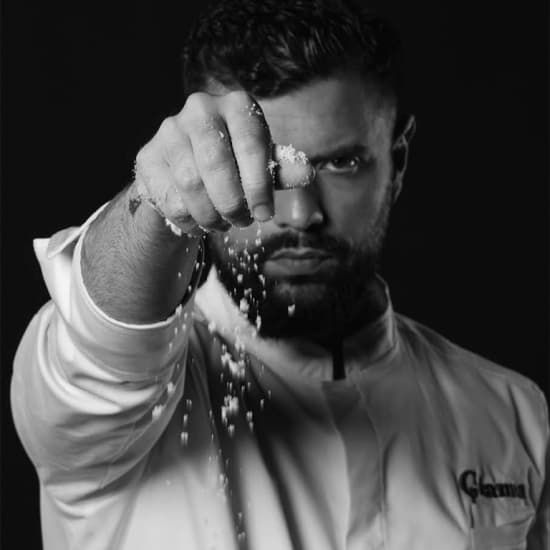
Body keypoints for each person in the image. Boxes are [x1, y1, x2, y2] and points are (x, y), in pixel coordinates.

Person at [11, 0, 549, 548]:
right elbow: (99, 350)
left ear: (398, 162)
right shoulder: (134, 409)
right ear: (203, 167)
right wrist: (156, 204)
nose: (299, 213)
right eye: (259, 168)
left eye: (341, 163)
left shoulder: (510, 413)